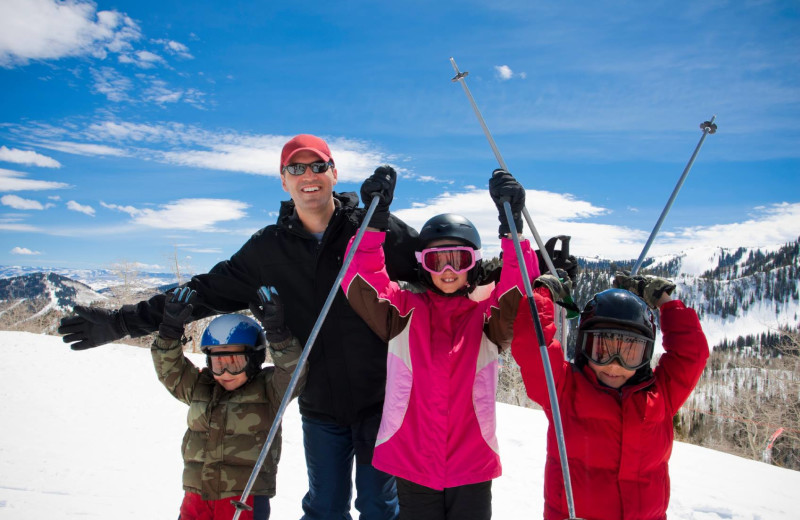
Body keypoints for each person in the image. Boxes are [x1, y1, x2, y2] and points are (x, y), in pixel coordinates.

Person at [58, 134, 421, 520]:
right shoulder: (267, 250)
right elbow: (201, 292)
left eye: (317, 166)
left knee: (380, 507)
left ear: (333, 172)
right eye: (295, 168)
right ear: (284, 181)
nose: (307, 175)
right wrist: (120, 322)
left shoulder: (371, 229)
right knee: (325, 508)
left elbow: (442, 268)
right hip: (320, 406)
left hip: (383, 402)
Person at [339, 168, 539, 520]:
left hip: (472, 462)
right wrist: (374, 224)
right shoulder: (403, 312)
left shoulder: (486, 318)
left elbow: (519, 293)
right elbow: (361, 280)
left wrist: (513, 231)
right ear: (423, 267)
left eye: (458, 259)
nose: (448, 271)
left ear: (473, 263)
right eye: (436, 260)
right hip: (413, 460)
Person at [511, 271, 709, 520]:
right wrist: (544, 293)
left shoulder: (661, 395)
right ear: (584, 347)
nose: (615, 365)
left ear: (646, 356)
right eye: (601, 350)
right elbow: (533, 344)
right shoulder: (564, 391)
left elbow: (692, 353)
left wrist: (663, 301)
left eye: (631, 354)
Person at [152, 286, 304, 520]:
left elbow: (294, 371)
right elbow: (169, 369)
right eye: (217, 363)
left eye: (234, 362)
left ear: (253, 360)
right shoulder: (199, 387)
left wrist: (278, 335)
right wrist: (169, 331)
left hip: (243, 497)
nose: (224, 372)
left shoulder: (269, 391)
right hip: (197, 494)